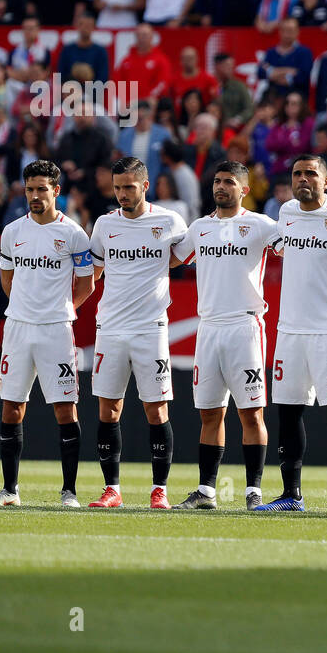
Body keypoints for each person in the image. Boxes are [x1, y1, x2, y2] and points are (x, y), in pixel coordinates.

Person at [255, 154, 327, 513]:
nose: (302, 179)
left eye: (310, 173)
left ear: (326, 181)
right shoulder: (287, 212)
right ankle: (292, 495)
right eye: (297, 173)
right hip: (290, 328)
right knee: (288, 412)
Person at [171, 162, 283, 510]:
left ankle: (254, 492)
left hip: (244, 327)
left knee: (251, 413)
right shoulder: (200, 227)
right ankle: (206, 492)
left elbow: (292, 247)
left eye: (229, 182)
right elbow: (172, 259)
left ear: (244, 190)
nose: (221, 187)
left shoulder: (261, 225)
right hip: (208, 329)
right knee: (210, 413)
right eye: (218, 181)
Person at [0, 160, 95, 507]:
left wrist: (60, 307)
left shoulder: (74, 234)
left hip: (55, 330)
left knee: (65, 408)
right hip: (17, 327)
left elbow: (87, 284)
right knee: (12, 408)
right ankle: (9, 491)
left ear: (56, 192)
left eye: (41, 189)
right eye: (30, 189)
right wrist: (25, 306)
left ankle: (69, 492)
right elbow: (7, 280)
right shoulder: (13, 232)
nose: (34, 195)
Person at [85, 156, 189, 509]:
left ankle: (159, 489)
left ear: (145, 186)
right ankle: (111, 488)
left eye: (129, 187)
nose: (122, 194)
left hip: (151, 328)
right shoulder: (103, 224)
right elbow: (94, 272)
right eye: (117, 188)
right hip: (111, 327)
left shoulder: (169, 220)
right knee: (108, 409)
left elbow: (180, 257)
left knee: (156, 410)